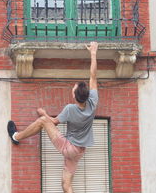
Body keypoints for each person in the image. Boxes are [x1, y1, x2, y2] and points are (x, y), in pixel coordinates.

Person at [7, 42, 99, 193]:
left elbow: (53, 122)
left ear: (74, 96)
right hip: (80, 151)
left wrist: (43, 114)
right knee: (66, 185)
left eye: (73, 88)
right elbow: (93, 76)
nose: (73, 87)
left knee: (43, 121)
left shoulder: (70, 109)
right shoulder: (93, 102)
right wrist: (93, 54)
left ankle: (16, 136)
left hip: (70, 148)